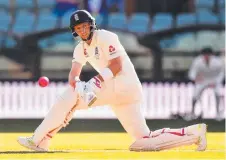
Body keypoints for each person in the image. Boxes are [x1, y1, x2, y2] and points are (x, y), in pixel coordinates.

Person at [17, 10, 207, 152]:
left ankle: (39, 139)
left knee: (69, 97)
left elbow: (117, 65)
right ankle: (193, 133)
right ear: (74, 31)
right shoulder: (80, 49)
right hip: (119, 94)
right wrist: (78, 82)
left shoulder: (107, 37)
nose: (82, 30)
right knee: (142, 141)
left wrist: (95, 83)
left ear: (91, 25)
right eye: (78, 28)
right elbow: (74, 73)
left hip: (125, 85)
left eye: (84, 26)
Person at [185, 47, 225, 121]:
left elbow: (221, 73)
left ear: (211, 55)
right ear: (202, 55)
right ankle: (192, 113)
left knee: (218, 94)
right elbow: (192, 71)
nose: (206, 56)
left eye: (208, 54)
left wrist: (216, 81)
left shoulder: (217, 61)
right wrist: (195, 78)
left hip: (214, 79)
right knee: (195, 95)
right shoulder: (197, 60)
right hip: (202, 80)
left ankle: (218, 113)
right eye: (204, 54)